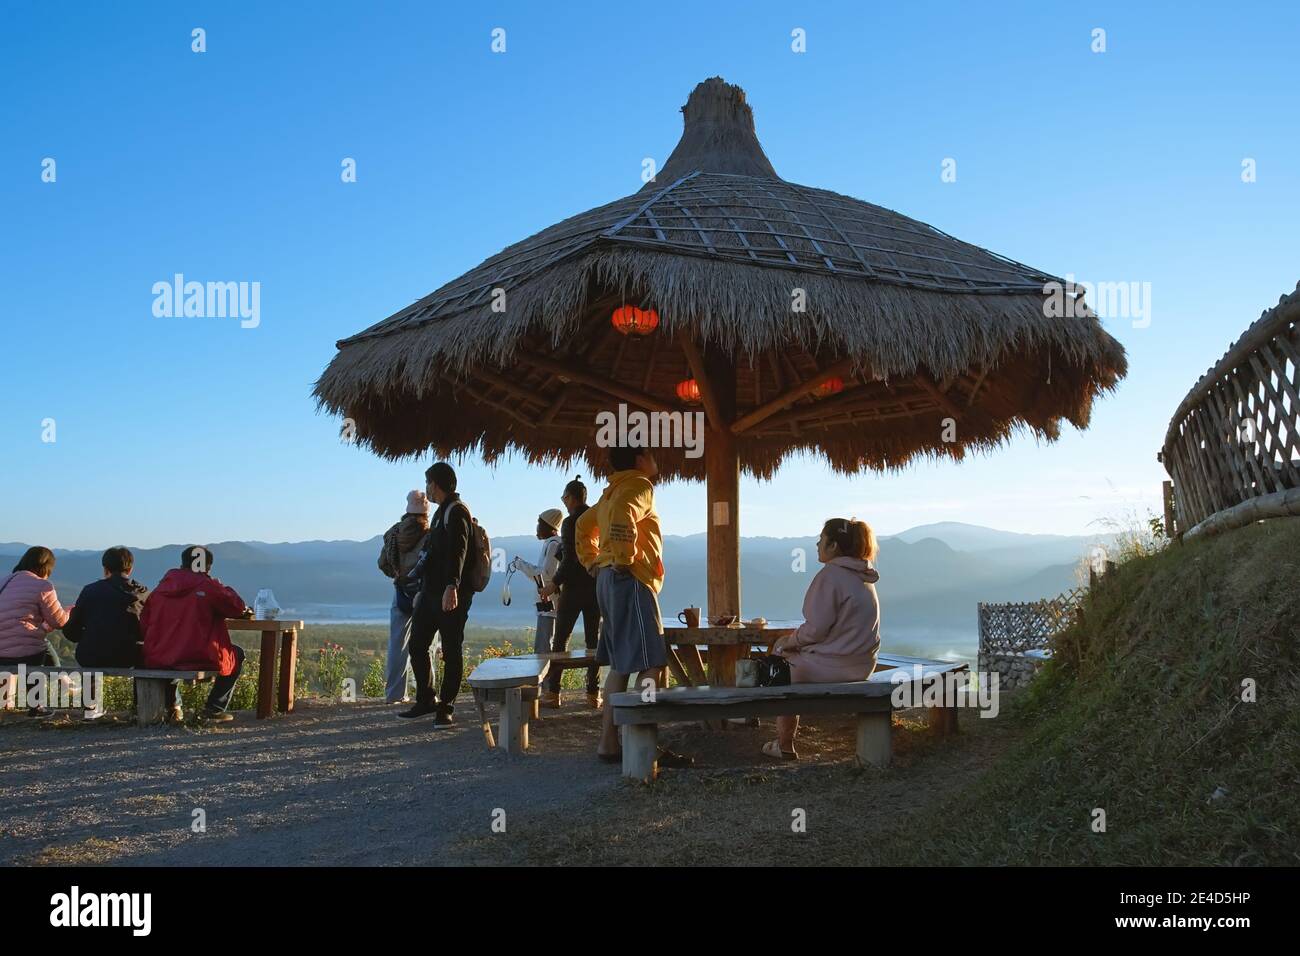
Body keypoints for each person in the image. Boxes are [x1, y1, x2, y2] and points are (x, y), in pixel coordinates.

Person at [576, 445, 690, 767]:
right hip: (631, 581)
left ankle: (608, 743)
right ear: (639, 459)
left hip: (607, 581)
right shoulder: (639, 485)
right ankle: (642, 746)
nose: (655, 459)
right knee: (652, 663)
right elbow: (626, 514)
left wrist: (592, 561)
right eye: (651, 454)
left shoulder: (610, 491)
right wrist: (624, 558)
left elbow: (584, 527)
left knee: (620, 666)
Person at [765, 518, 882, 760]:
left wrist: (789, 641)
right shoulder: (863, 577)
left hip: (835, 667)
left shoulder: (831, 576)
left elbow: (816, 629)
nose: (817, 544)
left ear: (834, 546)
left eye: (821, 539)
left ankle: (783, 743)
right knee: (788, 658)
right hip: (863, 665)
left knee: (779, 664)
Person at [400, 461, 475, 727]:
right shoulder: (440, 512)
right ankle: (426, 699)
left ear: (437, 484)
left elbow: (459, 550)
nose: (426, 489)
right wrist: (419, 587)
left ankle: (446, 706)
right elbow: (432, 555)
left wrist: (452, 586)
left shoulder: (457, 512)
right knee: (417, 644)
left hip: (450, 594)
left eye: (428, 483)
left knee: (451, 649)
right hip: (431, 592)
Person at [141, 546, 249, 723]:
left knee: (170, 656)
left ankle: (174, 708)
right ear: (207, 567)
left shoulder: (161, 588)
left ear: (182, 564)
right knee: (236, 654)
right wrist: (221, 586)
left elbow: (144, 623)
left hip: (160, 654)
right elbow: (236, 607)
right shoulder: (208, 586)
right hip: (199, 655)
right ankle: (214, 709)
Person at [540, 476, 601, 709]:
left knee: (561, 641)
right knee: (593, 642)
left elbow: (569, 559)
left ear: (571, 498)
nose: (564, 502)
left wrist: (554, 583)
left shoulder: (570, 522)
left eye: (564, 497)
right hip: (595, 586)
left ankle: (554, 693)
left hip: (573, 589)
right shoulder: (595, 519)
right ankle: (592, 694)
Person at [0, 546, 72, 718]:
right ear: (46, 567)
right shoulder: (42, 585)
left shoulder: (3, 581)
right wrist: (69, 612)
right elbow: (58, 621)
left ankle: (5, 704)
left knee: (33, 644)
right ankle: (39, 704)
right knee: (41, 648)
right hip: (27, 652)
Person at [378, 490, 431, 704]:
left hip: (400, 592)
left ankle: (394, 693)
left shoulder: (394, 533)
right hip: (424, 594)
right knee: (425, 645)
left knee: (397, 644)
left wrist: (398, 574)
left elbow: (383, 563)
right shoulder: (431, 534)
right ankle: (427, 692)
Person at [64, 547, 149, 668]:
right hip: (129, 656)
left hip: (90, 655)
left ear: (105, 568)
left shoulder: (90, 591)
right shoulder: (143, 594)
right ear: (130, 569)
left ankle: (91, 687)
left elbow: (71, 631)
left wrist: (90, 636)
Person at [510, 508, 563, 657]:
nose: (537, 528)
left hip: (549, 607)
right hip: (549, 606)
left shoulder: (553, 545)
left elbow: (546, 575)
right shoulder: (552, 543)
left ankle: (545, 680)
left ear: (550, 527)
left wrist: (521, 565)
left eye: (540, 524)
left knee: (543, 650)